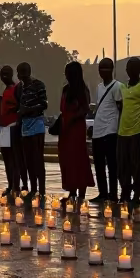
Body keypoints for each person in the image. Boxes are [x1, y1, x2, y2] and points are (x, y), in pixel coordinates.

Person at [117, 58, 140, 212]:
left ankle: (136, 195)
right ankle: (125, 192)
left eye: (134, 67)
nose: (130, 70)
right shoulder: (123, 87)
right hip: (122, 132)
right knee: (122, 164)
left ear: (139, 69)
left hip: (138, 132)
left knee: (137, 165)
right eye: (128, 67)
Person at [57, 62, 94, 205]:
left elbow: (85, 109)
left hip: (76, 128)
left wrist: (73, 118)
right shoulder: (66, 89)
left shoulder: (82, 90)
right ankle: (71, 191)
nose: (66, 75)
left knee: (78, 158)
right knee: (67, 159)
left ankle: (81, 193)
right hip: (65, 128)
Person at [92, 57, 122, 203]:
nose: (103, 72)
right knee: (98, 165)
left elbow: (120, 108)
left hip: (111, 130)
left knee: (112, 164)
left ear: (112, 70)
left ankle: (113, 193)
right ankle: (102, 193)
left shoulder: (117, 87)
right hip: (98, 130)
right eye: (101, 69)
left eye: (106, 68)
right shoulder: (99, 87)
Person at [16, 62, 47, 200]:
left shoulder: (38, 85)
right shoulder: (19, 88)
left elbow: (44, 104)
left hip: (37, 124)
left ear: (29, 71)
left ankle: (42, 190)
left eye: (24, 72)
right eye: (20, 72)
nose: (21, 75)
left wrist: (28, 110)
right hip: (25, 125)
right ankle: (33, 188)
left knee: (38, 159)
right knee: (28, 160)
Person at [0, 65, 21, 196]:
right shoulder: (5, 90)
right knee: (6, 158)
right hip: (4, 127)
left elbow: (19, 106)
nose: (4, 76)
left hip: (13, 126)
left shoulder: (16, 88)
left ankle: (16, 187)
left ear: (11, 74)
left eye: (6, 73)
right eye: (2, 74)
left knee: (14, 159)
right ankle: (10, 185)